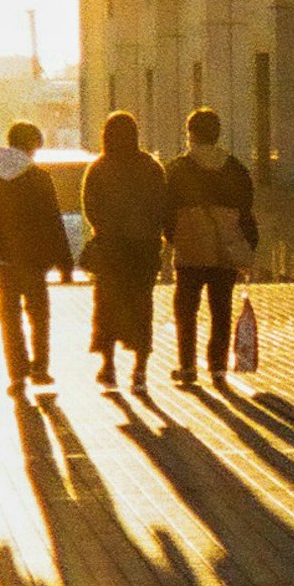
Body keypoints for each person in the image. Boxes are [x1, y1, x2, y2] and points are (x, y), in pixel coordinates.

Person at [0, 121, 75, 395]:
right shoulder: (39, 177)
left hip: (4, 261)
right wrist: (65, 264)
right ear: (32, 145)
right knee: (39, 315)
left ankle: (17, 374)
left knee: (9, 319)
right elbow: (53, 223)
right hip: (35, 261)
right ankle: (40, 368)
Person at [161, 106, 259, 387]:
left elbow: (166, 211)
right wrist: (246, 244)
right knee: (221, 308)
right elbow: (246, 210)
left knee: (186, 310)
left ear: (190, 134)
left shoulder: (177, 169)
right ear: (217, 134)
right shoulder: (235, 168)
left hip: (190, 249)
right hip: (224, 249)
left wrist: (174, 237)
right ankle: (218, 367)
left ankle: (188, 366)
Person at [78, 109, 173, 393]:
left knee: (106, 308)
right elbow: (161, 206)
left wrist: (105, 229)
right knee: (142, 307)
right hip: (143, 250)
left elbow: (90, 207)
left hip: (111, 250)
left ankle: (108, 368)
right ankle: (140, 370)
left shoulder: (99, 168)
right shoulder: (151, 167)